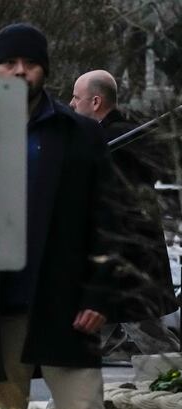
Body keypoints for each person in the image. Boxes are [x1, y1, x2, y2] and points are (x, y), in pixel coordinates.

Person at [0, 23, 119, 409]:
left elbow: (108, 218)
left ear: (45, 70)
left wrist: (99, 295)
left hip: (68, 304)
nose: (20, 71)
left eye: (31, 63)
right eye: (10, 62)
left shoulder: (81, 134)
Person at [70, 69, 179, 355]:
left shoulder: (124, 141)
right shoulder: (104, 140)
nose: (71, 104)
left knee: (149, 337)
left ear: (95, 102)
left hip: (131, 265)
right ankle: (74, 393)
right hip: (112, 270)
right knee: (85, 340)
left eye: (76, 98)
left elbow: (120, 204)